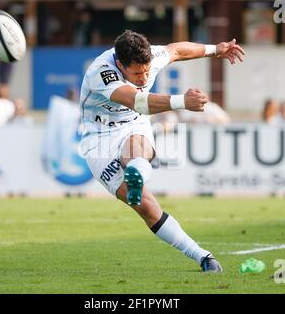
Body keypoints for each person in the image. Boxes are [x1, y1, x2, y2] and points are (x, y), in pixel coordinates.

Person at [79, 30, 245, 272]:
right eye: (137, 73)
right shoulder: (101, 73)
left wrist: (215, 49)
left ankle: (204, 258)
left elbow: (177, 50)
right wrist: (181, 102)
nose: (144, 77)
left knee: (137, 148)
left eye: (147, 71)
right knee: (146, 206)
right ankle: (136, 173)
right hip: (98, 138)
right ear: (119, 64)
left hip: (133, 123)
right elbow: (136, 101)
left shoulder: (150, 57)